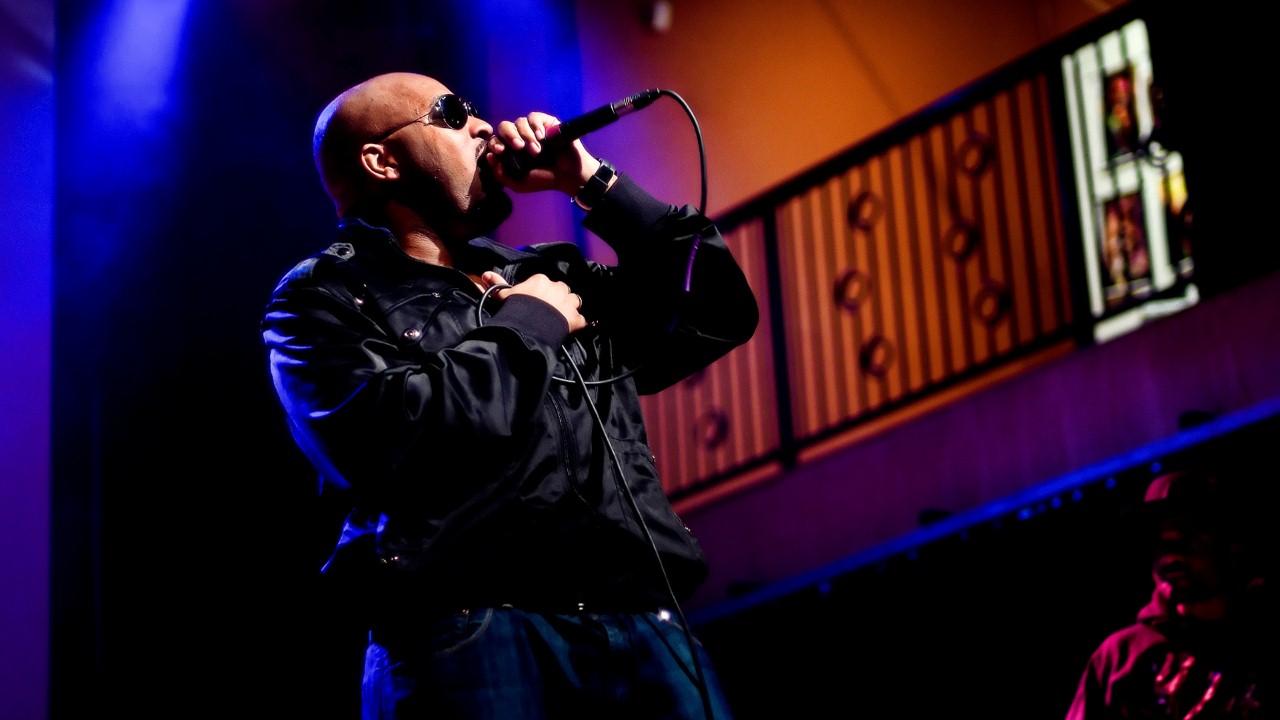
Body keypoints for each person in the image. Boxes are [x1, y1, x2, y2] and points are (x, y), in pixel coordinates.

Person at [261, 71, 758, 720]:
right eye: (451, 113)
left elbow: (717, 311)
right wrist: (530, 324)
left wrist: (591, 181)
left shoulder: (548, 274)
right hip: (469, 631)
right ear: (382, 161)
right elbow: (398, 440)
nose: (483, 125)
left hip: (643, 625)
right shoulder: (324, 298)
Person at [1064, 465, 1265, 719]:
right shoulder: (1118, 658)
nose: (1169, 551)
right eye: (1158, 537)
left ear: (1233, 549)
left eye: (1187, 532)